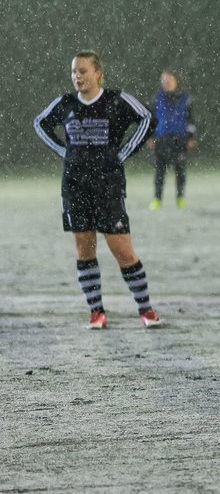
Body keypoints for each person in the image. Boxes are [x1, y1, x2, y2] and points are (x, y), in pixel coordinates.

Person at [33, 51, 161, 329]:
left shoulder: (116, 100)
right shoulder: (66, 103)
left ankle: (146, 309)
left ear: (97, 73)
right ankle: (96, 311)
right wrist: (64, 152)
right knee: (84, 247)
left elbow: (148, 119)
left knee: (122, 250)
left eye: (82, 71)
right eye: (74, 72)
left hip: (108, 185)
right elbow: (39, 124)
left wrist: (122, 153)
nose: (77, 77)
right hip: (75, 186)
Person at [148, 69, 196, 209]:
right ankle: (157, 199)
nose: (166, 83)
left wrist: (191, 137)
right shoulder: (157, 98)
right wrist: (150, 137)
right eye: (164, 80)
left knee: (180, 171)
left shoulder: (185, 99)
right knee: (159, 171)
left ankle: (180, 198)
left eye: (169, 80)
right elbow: (151, 120)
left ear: (176, 81)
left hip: (179, 139)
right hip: (162, 139)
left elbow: (191, 120)